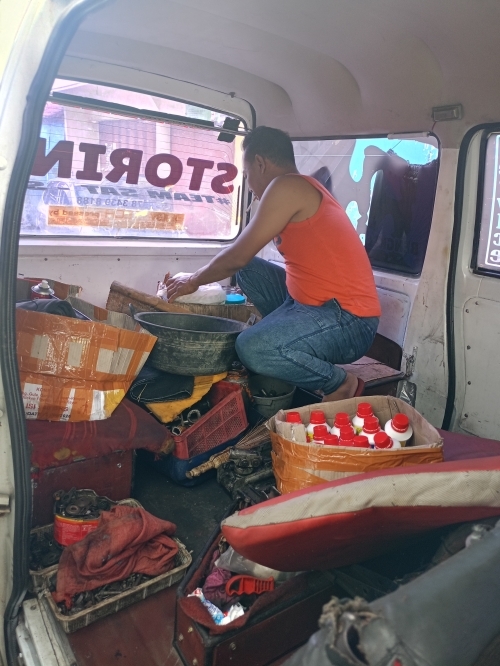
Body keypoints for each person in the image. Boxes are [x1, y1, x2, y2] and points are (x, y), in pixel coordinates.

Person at [164, 126, 381, 401]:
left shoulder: (288, 187)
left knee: (251, 348)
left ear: (260, 163)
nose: (250, 186)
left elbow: (237, 255)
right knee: (248, 270)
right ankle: (283, 343)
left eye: (247, 175)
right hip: (305, 303)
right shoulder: (295, 187)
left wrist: (193, 280)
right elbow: (241, 258)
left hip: (349, 321)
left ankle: (339, 383)